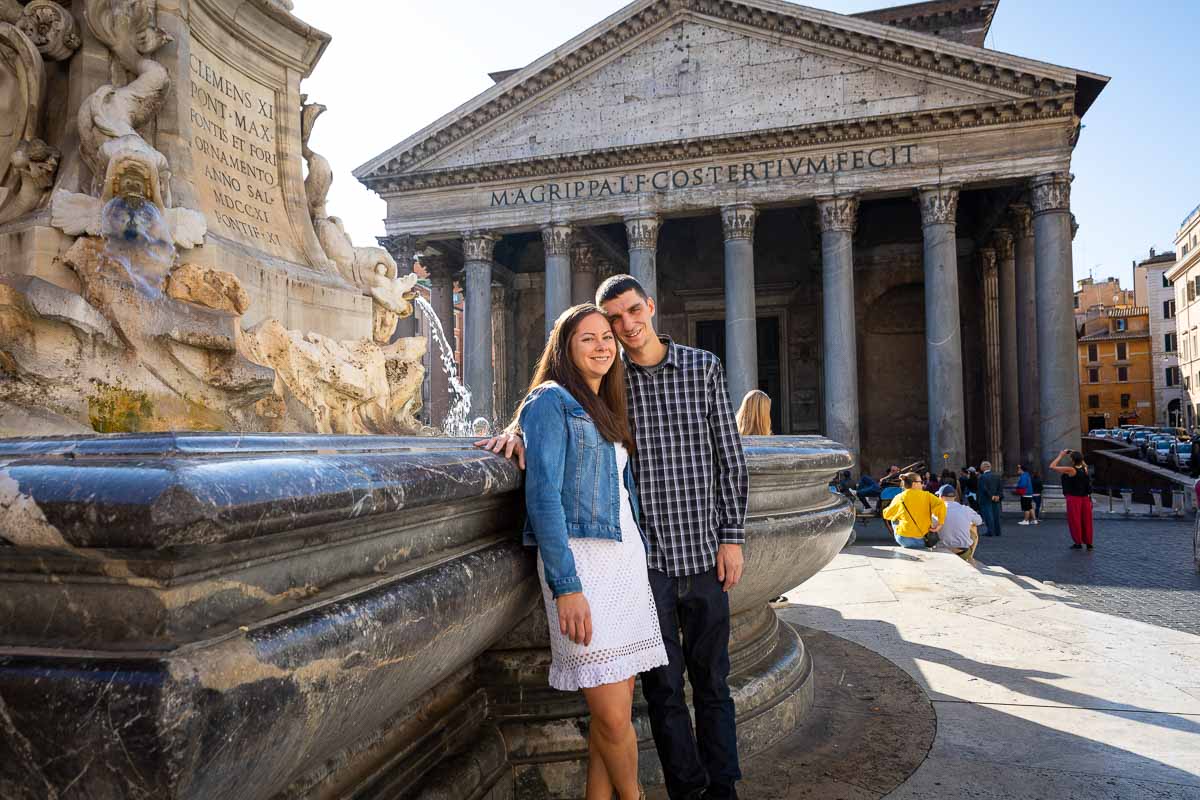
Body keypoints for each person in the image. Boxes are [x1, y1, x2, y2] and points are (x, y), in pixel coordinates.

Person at [478, 275, 748, 800]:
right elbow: (550, 436)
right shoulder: (587, 389)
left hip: (685, 551)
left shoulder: (687, 370)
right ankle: (680, 793)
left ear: (650, 306)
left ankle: (724, 791)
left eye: (626, 317)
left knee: (710, 686)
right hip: (635, 565)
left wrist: (731, 536)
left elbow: (731, 460)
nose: (619, 332)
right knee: (661, 694)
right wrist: (517, 429)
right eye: (603, 329)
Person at [518, 303, 668, 800]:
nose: (603, 345)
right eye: (588, 338)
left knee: (615, 716)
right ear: (565, 346)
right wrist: (567, 587)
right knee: (611, 717)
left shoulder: (603, 403)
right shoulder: (550, 400)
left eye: (607, 336)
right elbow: (543, 496)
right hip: (582, 565)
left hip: (622, 563)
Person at [882, 471, 946, 549]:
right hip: (924, 539)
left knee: (894, 519)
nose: (922, 484)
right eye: (920, 482)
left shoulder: (899, 497)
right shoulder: (928, 496)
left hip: (904, 539)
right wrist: (940, 524)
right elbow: (941, 505)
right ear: (914, 484)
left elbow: (887, 515)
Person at [1051, 449, 1094, 550]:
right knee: (1087, 521)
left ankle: (1078, 543)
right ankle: (1089, 544)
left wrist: (1060, 455)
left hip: (1074, 498)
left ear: (1072, 459)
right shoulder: (1085, 468)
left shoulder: (1071, 470)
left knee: (1075, 520)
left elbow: (1052, 466)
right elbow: (1082, 460)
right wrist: (1074, 452)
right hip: (1085, 498)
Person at [935, 485, 982, 560]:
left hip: (943, 550)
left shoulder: (936, 511)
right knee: (973, 527)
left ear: (941, 497)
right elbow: (979, 521)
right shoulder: (966, 509)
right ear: (954, 497)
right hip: (963, 552)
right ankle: (970, 557)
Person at [977, 461, 1004, 537]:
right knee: (996, 515)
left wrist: (991, 496)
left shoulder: (982, 477)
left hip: (986, 499)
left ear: (983, 467)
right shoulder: (997, 476)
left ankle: (990, 531)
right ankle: (997, 531)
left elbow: (984, 489)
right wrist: (998, 496)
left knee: (988, 516)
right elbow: (1000, 487)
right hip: (996, 499)